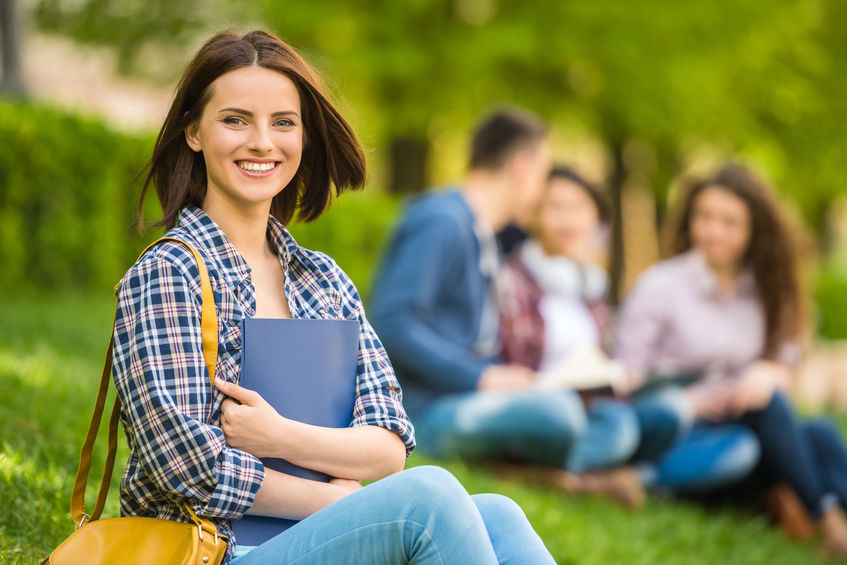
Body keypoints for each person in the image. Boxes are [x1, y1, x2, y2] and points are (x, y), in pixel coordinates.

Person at [112, 29, 555, 565]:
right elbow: (181, 462)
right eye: (235, 120)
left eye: (283, 123)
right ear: (194, 133)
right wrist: (325, 498)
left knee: (500, 515)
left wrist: (278, 436)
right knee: (429, 498)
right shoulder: (168, 272)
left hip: (313, 539)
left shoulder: (323, 280)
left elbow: (389, 444)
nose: (261, 142)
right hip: (214, 551)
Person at [368, 114, 642, 505]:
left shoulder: (482, 232)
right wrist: (483, 377)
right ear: (522, 167)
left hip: (469, 400)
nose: (541, 189)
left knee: (617, 423)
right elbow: (393, 325)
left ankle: (534, 471)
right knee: (558, 414)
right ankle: (556, 471)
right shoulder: (441, 220)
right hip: (426, 410)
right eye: (542, 172)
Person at [614, 163, 847, 557]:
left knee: (820, 432)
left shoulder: (768, 291)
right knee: (772, 408)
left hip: (752, 429)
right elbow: (625, 382)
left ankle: (820, 511)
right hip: (681, 434)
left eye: (729, 222)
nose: (713, 231)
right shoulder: (660, 286)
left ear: (754, 230)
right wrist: (698, 402)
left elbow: (785, 365)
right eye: (704, 217)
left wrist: (769, 373)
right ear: (690, 219)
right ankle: (829, 521)